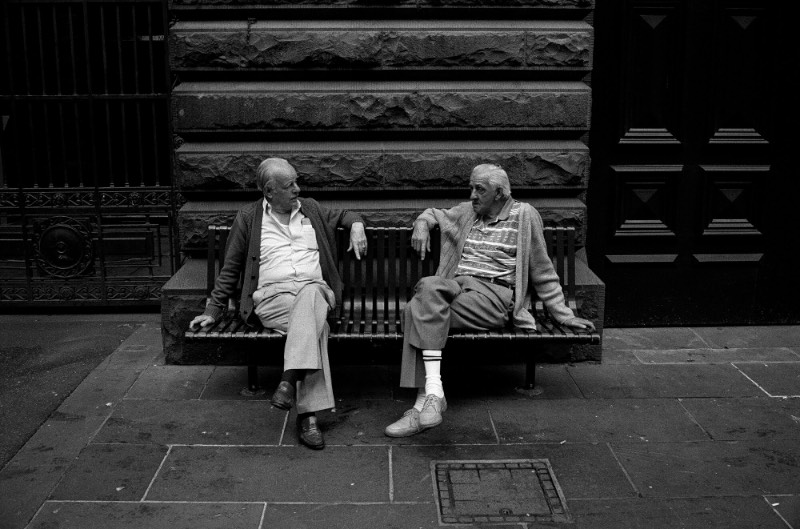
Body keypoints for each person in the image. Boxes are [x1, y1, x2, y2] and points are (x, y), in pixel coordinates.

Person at [384, 164, 595, 437]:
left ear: (499, 193)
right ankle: (431, 398)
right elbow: (434, 213)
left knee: (415, 309)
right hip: (457, 288)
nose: (472, 195)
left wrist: (564, 314)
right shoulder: (469, 211)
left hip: (494, 296)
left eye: (479, 189)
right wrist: (423, 223)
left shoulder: (524, 215)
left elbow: (543, 270)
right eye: (471, 188)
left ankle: (422, 404)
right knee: (426, 296)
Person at [189, 158, 367, 450]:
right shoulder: (249, 218)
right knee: (315, 324)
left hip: (316, 292)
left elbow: (347, 214)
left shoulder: (310, 209)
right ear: (269, 191)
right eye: (289, 185)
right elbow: (231, 268)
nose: (297, 189)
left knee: (310, 296)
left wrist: (357, 225)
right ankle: (306, 416)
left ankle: (289, 382)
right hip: (273, 300)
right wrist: (213, 309)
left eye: (297, 182)